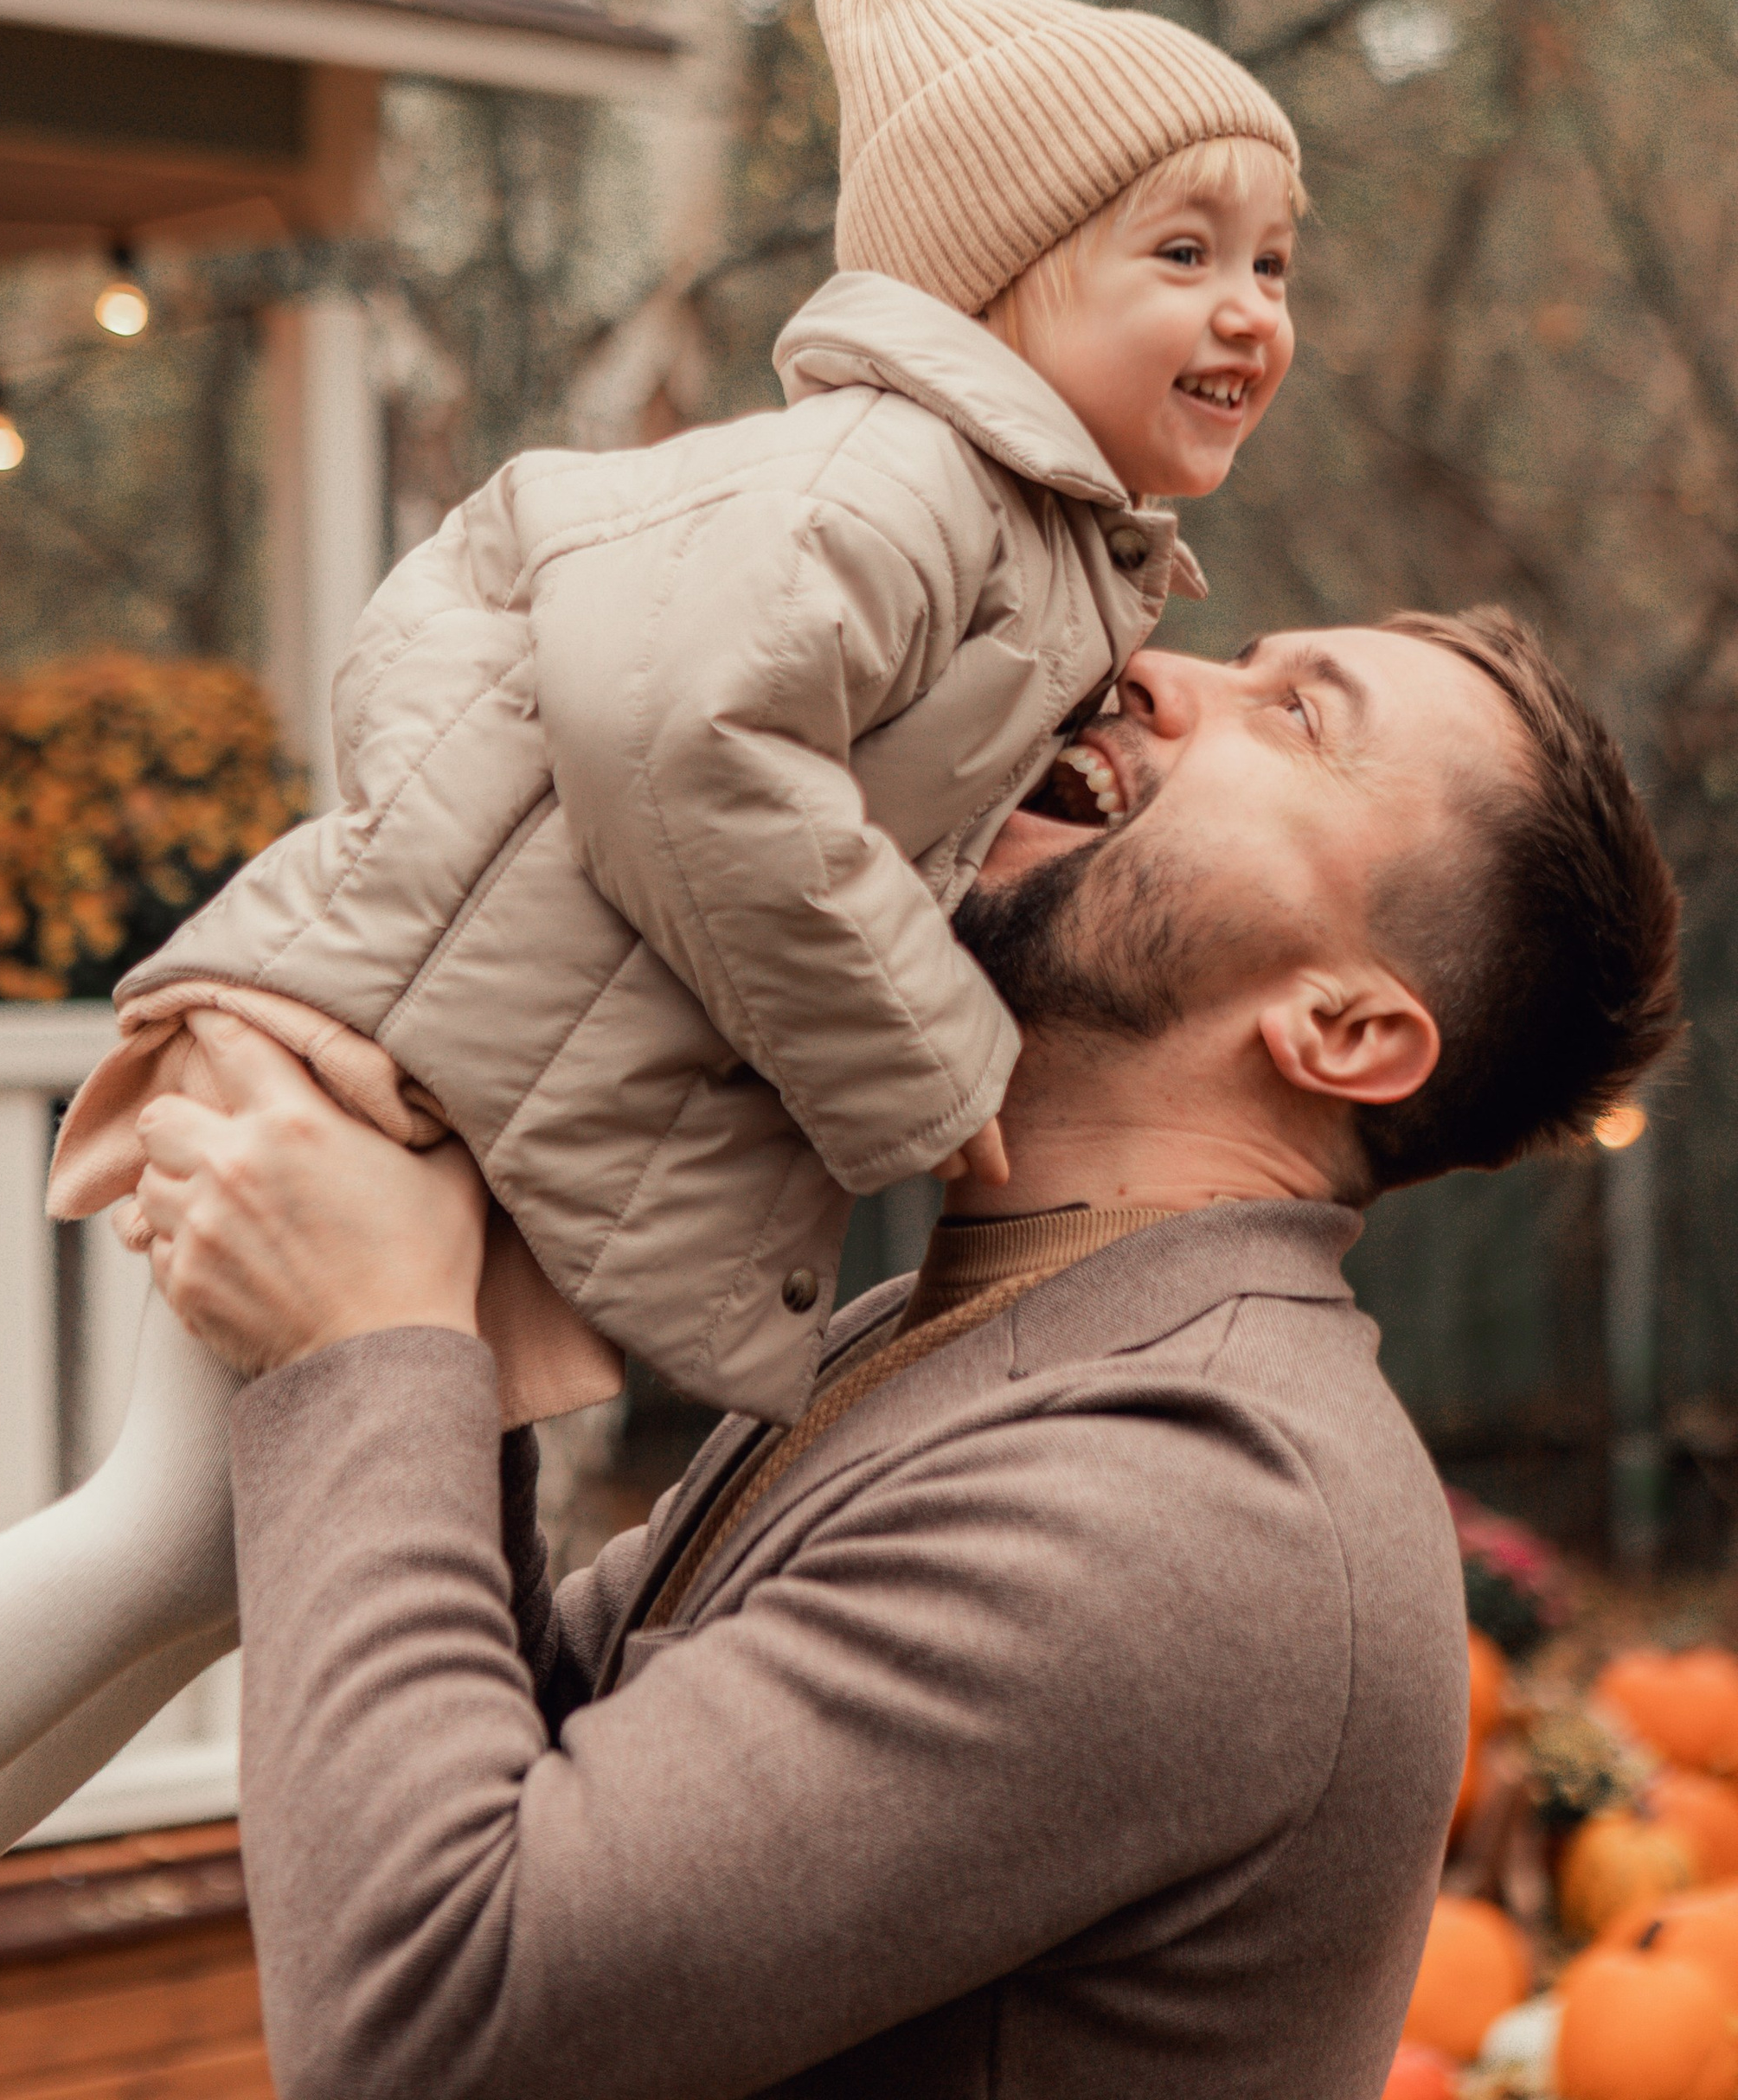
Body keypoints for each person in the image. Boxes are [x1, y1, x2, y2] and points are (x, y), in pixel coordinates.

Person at [0, 0, 1317, 2091]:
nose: (1248, 308)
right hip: (384, 1062)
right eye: (1180, 253)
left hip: (463, 1080)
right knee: (157, 1534)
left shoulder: (1009, 533)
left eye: (1271, 262)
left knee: (208, 1565)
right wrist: (918, 1053)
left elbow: (623, 687)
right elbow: (675, 732)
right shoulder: (889, 476)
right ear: (997, 282)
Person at [138, 604, 1681, 2100]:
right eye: (1243, 658)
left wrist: (370, 1334)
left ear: (1343, 1030)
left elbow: (427, 2013)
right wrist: (432, 1295)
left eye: (1295, 717)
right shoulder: (960, 1334)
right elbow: (554, 1740)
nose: (1152, 670)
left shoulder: (1204, 1507)